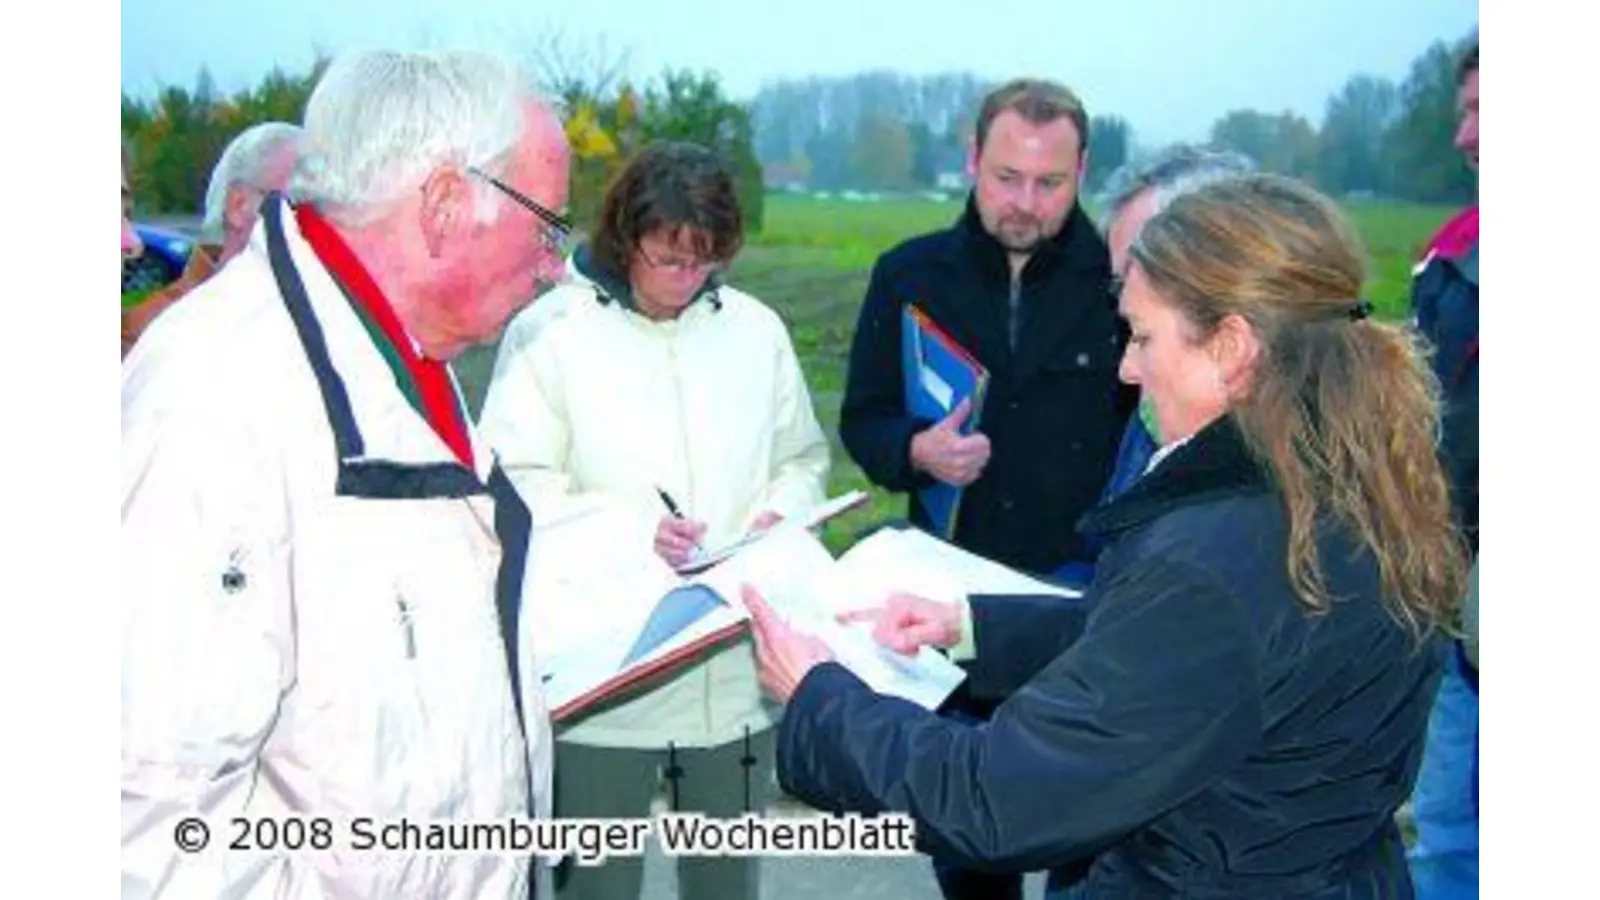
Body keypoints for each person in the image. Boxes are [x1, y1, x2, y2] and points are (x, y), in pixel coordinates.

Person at [745, 173, 1472, 898]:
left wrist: (820, 698)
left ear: (1232, 347)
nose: (1127, 366)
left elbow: (998, 799)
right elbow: (1188, 661)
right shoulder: (1360, 476)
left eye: (1143, 336)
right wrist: (969, 628)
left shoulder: (1215, 554)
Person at [121, 49, 572, 898]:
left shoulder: (406, 360)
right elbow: (151, 823)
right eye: (546, 225)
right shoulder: (214, 398)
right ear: (443, 202)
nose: (555, 265)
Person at [478, 140, 829, 900]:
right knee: (596, 892)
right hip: (604, 691)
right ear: (625, 238)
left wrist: (783, 514)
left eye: (705, 261)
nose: (686, 280)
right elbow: (512, 488)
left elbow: (803, 458)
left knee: (724, 888)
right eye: (669, 258)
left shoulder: (756, 331)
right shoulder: (549, 333)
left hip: (737, 680)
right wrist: (632, 532)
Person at [839, 77, 1136, 581]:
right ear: (974, 159)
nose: (1025, 201)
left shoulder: (1122, 281)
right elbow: (864, 421)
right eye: (1007, 177)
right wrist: (916, 450)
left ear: (1081, 171)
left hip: (1080, 580)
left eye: (1049, 183)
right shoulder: (908, 275)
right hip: (944, 573)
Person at [1405, 40, 1480, 900]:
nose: (1466, 137)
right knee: (1447, 833)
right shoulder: (1448, 254)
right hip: (1450, 611)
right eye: (1464, 112)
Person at [1093, 145, 1257, 505]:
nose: (1125, 299)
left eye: (1142, 268)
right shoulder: (1161, 401)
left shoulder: (1277, 462)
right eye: (1119, 280)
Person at [122, 122, 302, 356]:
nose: (323, 228)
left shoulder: (306, 316)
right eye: (300, 206)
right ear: (238, 206)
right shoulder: (148, 340)